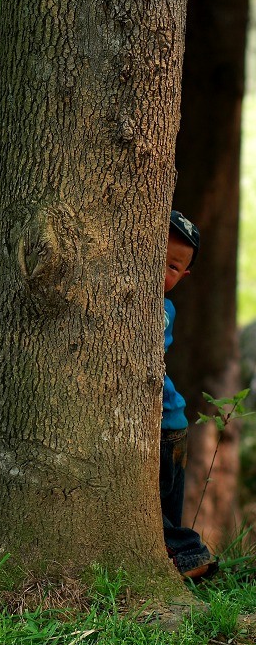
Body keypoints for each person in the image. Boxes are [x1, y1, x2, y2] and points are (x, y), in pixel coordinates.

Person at [161, 210, 218, 581]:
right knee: (160, 510)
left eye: (170, 266)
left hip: (167, 427)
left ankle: (189, 554)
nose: (158, 271)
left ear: (184, 276)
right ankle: (183, 561)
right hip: (170, 424)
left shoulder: (161, 310)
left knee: (159, 513)